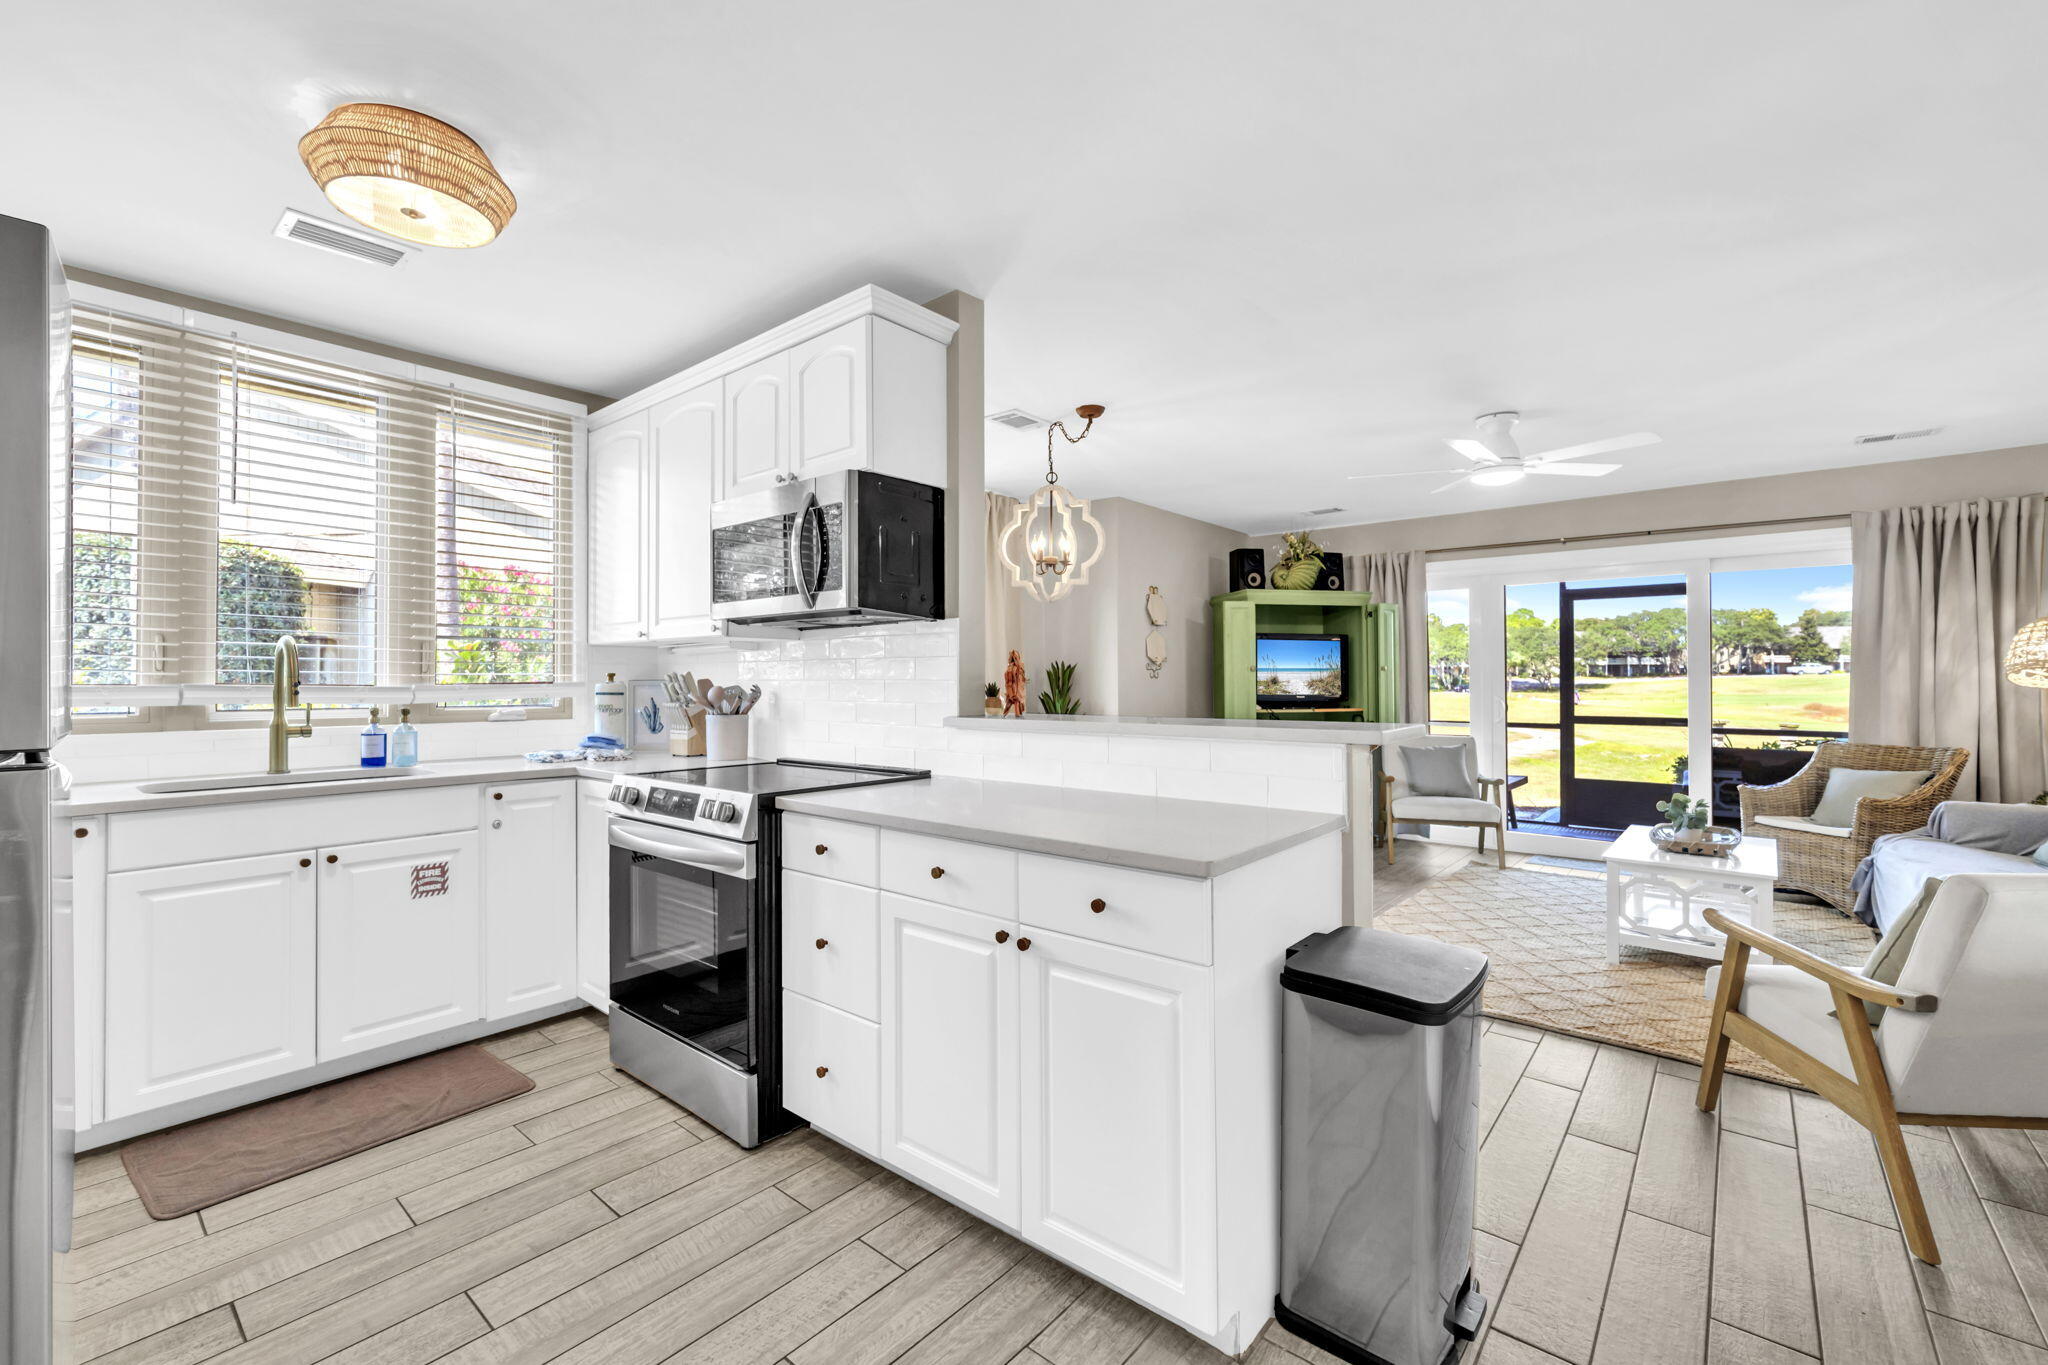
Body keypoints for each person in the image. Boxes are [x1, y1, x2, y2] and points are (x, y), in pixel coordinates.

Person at [1002, 650, 1028, 718]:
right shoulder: (1013, 668)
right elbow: (1012, 679)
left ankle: (1007, 714)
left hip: (1012, 688)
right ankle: (1017, 715)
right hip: (1014, 688)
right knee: (1016, 701)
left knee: (1012, 702)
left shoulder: (1013, 667)